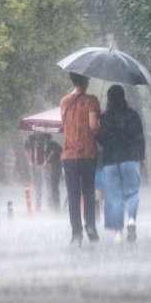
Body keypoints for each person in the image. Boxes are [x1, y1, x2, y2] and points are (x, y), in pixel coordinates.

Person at [96, 85, 145, 244]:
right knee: (132, 193)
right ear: (124, 97)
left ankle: (118, 232)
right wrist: (141, 158)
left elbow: (101, 140)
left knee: (113, 197)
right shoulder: (133, 115)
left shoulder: (104, 118)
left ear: (109, 98)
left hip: (110, 161)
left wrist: (99, 125)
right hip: (130, 159)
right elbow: (140, 138)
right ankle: (131, 219)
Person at [60, 72, 101, 246]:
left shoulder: (64, 102)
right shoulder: (91, 100)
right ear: (86, 81)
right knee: (88, 192)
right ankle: (90, 226)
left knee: (73, 195)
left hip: (69, 155)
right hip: (87, 154)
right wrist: (99, 125)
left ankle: (76, 233)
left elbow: (65, 125)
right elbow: (93, 127)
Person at [24, 132, 47, 211]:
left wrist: (46, 161)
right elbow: (26, 149)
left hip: (42, 164)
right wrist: (29, 160)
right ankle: (37, 204)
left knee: (43, 183)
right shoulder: (30, 138)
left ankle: (44, 205)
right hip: (33, 164)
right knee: (36, 184)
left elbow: (49, 150)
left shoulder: (46, 137)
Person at [43, 134, 63, 213]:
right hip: (58, 166)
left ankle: (55, 206)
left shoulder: (49, 144)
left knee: (53, 186)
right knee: (55, 187)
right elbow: (61, 152)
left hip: (53, 167)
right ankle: (56, 205)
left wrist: (46, 161)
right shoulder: (56, 144)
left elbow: (51, 152)